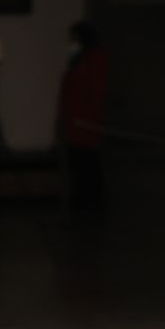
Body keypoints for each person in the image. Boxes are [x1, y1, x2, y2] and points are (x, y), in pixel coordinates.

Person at [57, 20, 107, 211]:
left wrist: (83, 120)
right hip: (74, 127)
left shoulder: (94, 60)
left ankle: (90, 209)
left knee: (88, 169)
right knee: (78, 170)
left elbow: (94, 94)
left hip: (85, 127)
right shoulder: (78, 61)